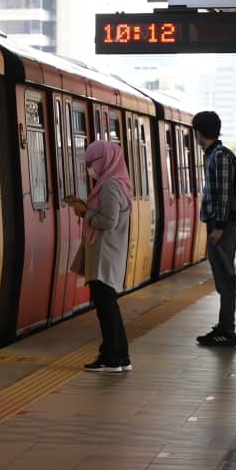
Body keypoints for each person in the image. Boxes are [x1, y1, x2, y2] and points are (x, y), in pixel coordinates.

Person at [66, 140, 133, 373]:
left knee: (107, 308)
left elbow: (109, 221)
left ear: (105, 161)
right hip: (107, 254)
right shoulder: (115, 183)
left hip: (105, 255)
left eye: (91, 163)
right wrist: (86, 209)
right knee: (108, 307)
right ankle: (119, 356)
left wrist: (85, 213)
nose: (90, 169)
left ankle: (112, 358)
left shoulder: (110, 186)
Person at [192, 111, 236, 348]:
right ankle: (223, 327)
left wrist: (219, 226)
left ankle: (227, 331)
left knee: (226, 281)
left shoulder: (219, 156)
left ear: (199, 132)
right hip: (218, 225)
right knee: (222, 280)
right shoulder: (213, 155)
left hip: (222, 227)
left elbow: (223, 194)